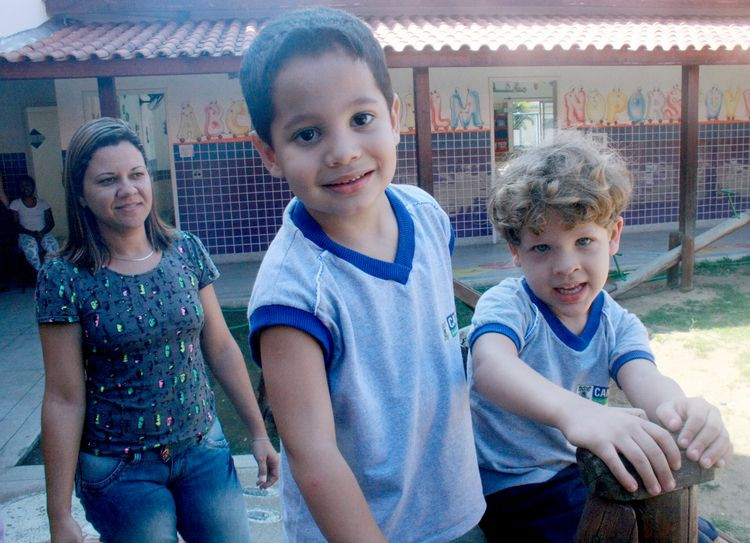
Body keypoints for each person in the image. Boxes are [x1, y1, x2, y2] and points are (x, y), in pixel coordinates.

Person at [240, 7, 485, 541]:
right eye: (307, 134)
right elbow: (314, 456)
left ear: (394, 117)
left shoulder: (425, 214)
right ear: (269, 153)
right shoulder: (294, 295)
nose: (344, 151)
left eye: (361, 119)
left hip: (457, 507)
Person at [468, 132, 733, 542]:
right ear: (515, 252)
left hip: (584, 472)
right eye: (542, 248)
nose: (566, 266)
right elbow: (490, 367)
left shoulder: (616, 322)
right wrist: (577, 413)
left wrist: (686, 416)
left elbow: (648, 381)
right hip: (515, 486)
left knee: (686, 526)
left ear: (614, 237)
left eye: (584, 241)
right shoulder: (510, 305)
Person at [35, 117, 279, 543]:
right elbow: (63, 396)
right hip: (120, 470)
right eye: (108, 180)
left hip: (203, 449)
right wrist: (59, 515)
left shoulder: (185, 250)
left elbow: (220, 347)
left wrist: (257, 432)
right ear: (80, 193)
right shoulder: (64, 277)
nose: (127, 190)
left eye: (136, 174)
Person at [9, 174, 60, 271]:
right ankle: (41, 274)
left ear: (33, 187)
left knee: (54, 249)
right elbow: (15, 224)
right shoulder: (15, 204)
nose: (25, 188)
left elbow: (51, 222)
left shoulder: (43, 203)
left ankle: (52, 271)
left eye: (27, 185)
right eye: (22, 186)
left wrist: (41, 233)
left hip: (44, 233)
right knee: (31, 251)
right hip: (26, 235)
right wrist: (31, 233)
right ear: (19, 188)